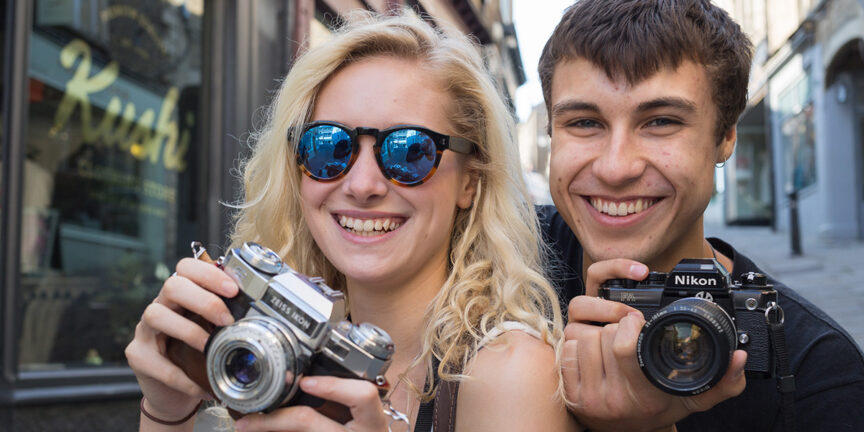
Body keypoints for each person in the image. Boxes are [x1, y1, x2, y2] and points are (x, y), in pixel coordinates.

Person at [125, 11, 578, 432]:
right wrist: (167, 410)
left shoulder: (508, 371)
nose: (363, 184)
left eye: (409, 151)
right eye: (329, 148)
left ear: (470, 182)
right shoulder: (274, 343)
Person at [536, 0, 864, 431]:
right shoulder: (491, 262)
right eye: (583, 123)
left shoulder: (816, 374)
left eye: (661, 122)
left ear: (725, 136)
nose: (615, 168)